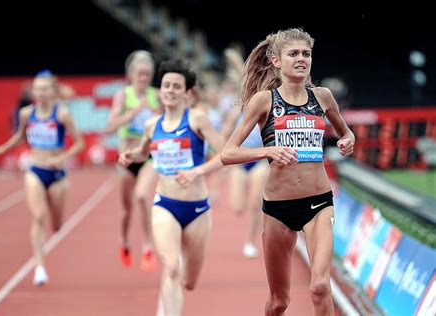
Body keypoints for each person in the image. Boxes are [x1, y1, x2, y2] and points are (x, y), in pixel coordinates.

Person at [220, 28, 355, 315]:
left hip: (319, 202)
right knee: (279, 302)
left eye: (306, 53)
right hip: (278, 208)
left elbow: (346, 132)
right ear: (276, 61)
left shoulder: (323, 97)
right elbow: (227, 153)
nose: (301, 58)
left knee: (320, 287)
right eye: (293, 53)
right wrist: (267, 151)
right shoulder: (263, 101)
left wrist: (347, 140)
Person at [118, 58, 224, 315]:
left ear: (187, 93)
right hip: (165, 204)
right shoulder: (151, 125)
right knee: (172, 268)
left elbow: (225, 154)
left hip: (198, 209)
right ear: (161, 89)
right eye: (166, 85)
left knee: (188, 282)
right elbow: (145, 153)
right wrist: (132, 155)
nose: (170, 91)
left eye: (177, 86)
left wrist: (196, 171)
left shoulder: (198, 119)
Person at [0, 71, 85, 286]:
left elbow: (80, 144)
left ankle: (54, 227)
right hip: (35, 170)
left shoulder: (62, 115)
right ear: (33, 91)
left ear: (52, 91)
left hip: (57, 174)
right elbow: (20, 137)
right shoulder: (26, 114)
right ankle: (39, 268)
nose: (41, 93)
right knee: (38, 216)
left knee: (57, 225)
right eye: (37, 88)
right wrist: (1, 149)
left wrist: (62, 157)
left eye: (45, 88)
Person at [104, 50, 161, 272]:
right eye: (140, 73)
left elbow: (169, 122)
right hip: (127, 157)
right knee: (126, 209)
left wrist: (159, 114)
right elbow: (109, 126)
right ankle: (124, 240)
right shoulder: (123, 96)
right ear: (131, 74)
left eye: (147, 74)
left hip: (148, 156)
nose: (143, 78)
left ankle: (148, 246)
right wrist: (132, 112)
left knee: (142, 196)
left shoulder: (156, 95)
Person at [221, 107, 268, 258]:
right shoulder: (236, 112)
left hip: (259, 159)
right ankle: (243, 201)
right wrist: (223, 160)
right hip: (240, 161)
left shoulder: (266, 109)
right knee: (238, 207)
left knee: (256, 203)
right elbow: (225, 134)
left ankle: (249, 242)